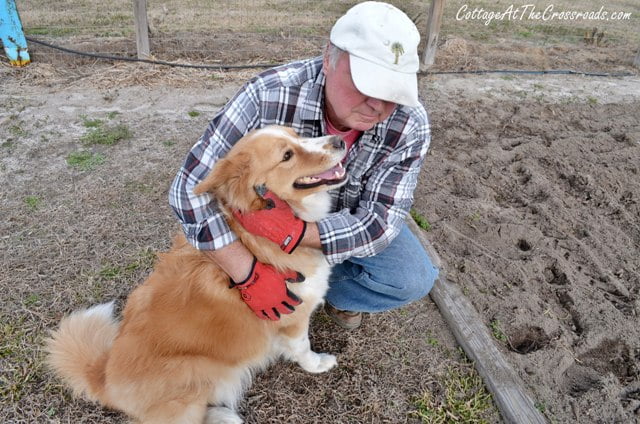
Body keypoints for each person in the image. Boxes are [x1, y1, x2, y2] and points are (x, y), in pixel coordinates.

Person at [169, 1, 439, 329]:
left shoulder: (409, 123)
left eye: (392, 90)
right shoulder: (267, 95)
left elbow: (380, 224)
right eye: (367, 84)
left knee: (411, 277)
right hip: (262, 232)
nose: (378, 105)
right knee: (222, 257)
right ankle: (260, 289)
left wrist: (296, 233)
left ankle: (324, 293)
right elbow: (188, 190)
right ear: (328, 59)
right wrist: (248, 274)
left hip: (336, 222)